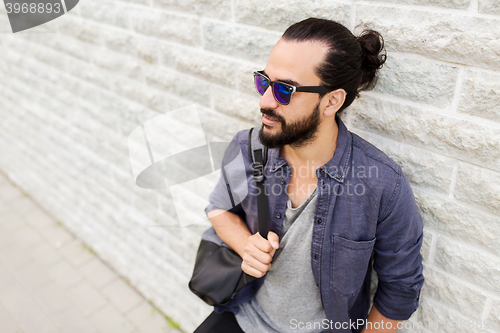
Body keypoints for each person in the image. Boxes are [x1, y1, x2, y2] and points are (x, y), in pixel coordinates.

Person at [194, 17, 424, 333]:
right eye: (264, 81)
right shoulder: (247, 147)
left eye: (285, 90)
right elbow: (218, 208)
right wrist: (246, 244)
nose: (265, 101)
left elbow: (401, 287)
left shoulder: (382, 184)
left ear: (332, 101)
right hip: (244, 313)